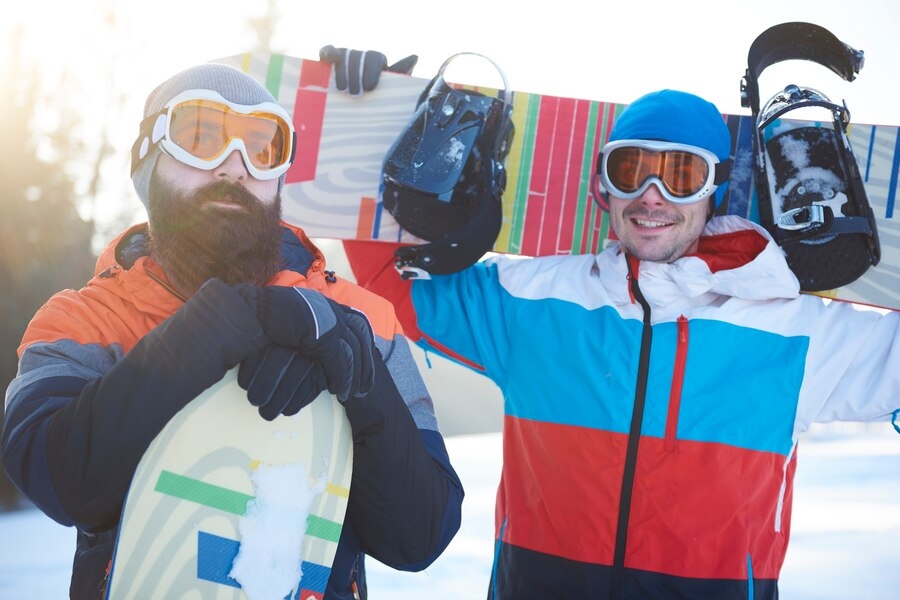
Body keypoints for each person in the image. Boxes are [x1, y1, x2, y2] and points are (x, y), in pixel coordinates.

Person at [343, 86, 900, 598]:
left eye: (681, 175)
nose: (651, 197)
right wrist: (366, 116)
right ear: (602, 185)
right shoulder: (535, 303)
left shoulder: (795, 330)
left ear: (717, 189)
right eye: (631, 169)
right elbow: (392, 279)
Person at [1, 61, 463, 600]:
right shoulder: (83, 319)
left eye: (263, 146)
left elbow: (421, 536)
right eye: (201, 135)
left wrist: (360, 382)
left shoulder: (361, 318)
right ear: (148, 164)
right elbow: (59, 480)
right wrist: (226, 324)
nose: (234, 166)